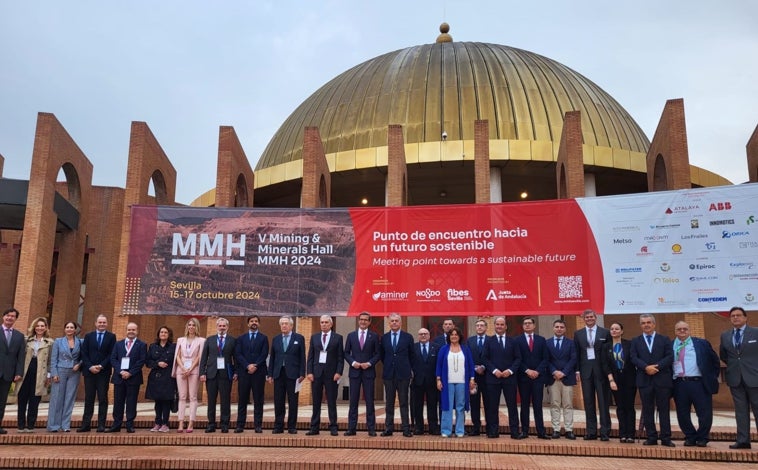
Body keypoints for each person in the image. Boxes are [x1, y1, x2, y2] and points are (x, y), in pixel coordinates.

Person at [672, 320, 719, 447]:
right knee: (682, 413)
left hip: (698, 383)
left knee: (704, 412)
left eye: (685, 329)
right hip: (679, 384)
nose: (682, 331)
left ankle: (703, 437)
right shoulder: (671, 345)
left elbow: (715, 361)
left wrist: (711, 377)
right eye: (679, 329)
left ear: (689, 330)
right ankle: (690, 436)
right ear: (675, 331)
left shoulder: (701, 343)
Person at [630, 314, 674, 447]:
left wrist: (657, 367)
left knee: (664, 409)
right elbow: (633, 357)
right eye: (643, 323)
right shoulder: (636, 341)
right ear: (640, 325)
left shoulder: (664, 339)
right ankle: (651, 437)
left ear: (654, 324)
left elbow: (670, 356)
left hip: (662, 379)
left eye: (649, 322)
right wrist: (645, 367)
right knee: (647, 409)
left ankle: (666, 437)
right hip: (644, 380)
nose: (646, 325)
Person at [719, 306, 758, 450]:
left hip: (754, 378)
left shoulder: (755, 332)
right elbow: (724, 355)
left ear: (745, 317)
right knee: (740, 411)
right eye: (733, 316)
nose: (735, 317)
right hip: (735, 378)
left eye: (738, 315)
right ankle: (743, 440)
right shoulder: (725, 335)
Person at [573, 308, 611, 440]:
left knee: (603, 402)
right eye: (587, 317)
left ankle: (605, 432)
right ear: (584, 319)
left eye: (591, 317)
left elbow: (608, 354)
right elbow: (576, 353)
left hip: (601, 372)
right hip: (585, 371)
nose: (589, 319)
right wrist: (577, 370)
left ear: (595, 318)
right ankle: (591, 431)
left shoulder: (605, 332)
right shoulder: (578, 334)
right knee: (588, 402)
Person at [482, 316, 521, 439]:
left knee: (512, 406)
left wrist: (510, 371)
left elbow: (518, 358)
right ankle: (493, 431)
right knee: (493, 406)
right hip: (493, 379)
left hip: (509, 379)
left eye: (501, 324)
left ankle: (514, 432)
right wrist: (494, 370)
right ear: (494, 326)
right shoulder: (488, 341)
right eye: (497, 324)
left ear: (506, 326)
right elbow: (484, 358)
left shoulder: (513, 341)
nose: (499, 326)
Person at [343, 311, 381, 436]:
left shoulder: (374, 336)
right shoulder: (351, 335)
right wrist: (353, 362)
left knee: (369, 401)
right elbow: (346, 353)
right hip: (354, 372)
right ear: (358, 321)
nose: (363, 321)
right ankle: (351, 428)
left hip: (368, 372)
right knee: (353, 401)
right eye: (361, 319)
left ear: (369, 322)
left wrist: (369, 363)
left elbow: (378, 354)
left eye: (366, 319)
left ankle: (371, 428)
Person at [306, 315, 344, 436]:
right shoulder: (314, 337)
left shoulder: (338, 338)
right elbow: (310, 356)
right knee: (316, 401)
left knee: (331, 401)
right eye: (322, 322)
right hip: (316, 374)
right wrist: (309, 372)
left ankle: (333, 426)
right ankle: (314, 427)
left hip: (331, 374)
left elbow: (340, 358)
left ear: (331, 324)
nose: (323, 324)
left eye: (326, 322)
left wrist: (339, 372)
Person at [267, 315, 305, 434]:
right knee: (278, 401)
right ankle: (278, 425)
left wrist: (302, 373)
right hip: (278, 373)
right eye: (282, 324)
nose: (284, 325)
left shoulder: (299, 338)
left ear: (291, 325)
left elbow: (302, 357)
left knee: (293, 401)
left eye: (286, 323)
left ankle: (292, 426)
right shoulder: (276, 339)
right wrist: (270, 374)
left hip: (293, 374)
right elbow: (272, 357)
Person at [106, 322, 147, 433]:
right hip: (119, 377)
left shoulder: (142, 345)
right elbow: (113, 359)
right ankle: (116, 424)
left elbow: (141, 361)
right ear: (126, 330)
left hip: (133, 378)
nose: (131, 332)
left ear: (137, 331)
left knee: (131, 402)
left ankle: (130, 424)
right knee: (118, 401)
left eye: (133, 330)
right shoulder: (118, 344)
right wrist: (121, 371)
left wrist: (130, 373)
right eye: (129, 329)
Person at [78, 314, 116, 433]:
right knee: (89, 398)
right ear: (96, 323)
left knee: (102, 398)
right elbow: (84, 353)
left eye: (104, 322)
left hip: (103, 372)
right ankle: (86, 424)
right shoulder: (89, 336)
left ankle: (101, 425)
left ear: (107, 324)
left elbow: (112, 354)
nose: (102, 324)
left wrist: (101, 366)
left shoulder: (111, 336)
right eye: (100, 322)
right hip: (89, 372)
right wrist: (90, 366)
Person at [435, 326, 475, 438]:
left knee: (460, 406)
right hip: (447, 382)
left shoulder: (465, 349)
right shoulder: (444, 349)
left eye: (456, 334)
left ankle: (459, 430)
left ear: (459, 336)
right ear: (449, 337)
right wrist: (438, 380)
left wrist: (472, 379)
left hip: (462, 382)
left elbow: (471, 365)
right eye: (451, 334)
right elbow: (439, 365)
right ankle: (446, 431)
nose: (454, 336)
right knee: (446, 406)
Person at [380, 312, 415, 437]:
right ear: (389, 323)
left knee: (404, 402)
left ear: (400, 322)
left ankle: (406, 429)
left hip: (403, 375)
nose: (394, 323)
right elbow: (382, 356)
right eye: (392, 321)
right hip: (389, 374)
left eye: (396, 321)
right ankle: (389, 428)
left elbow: (412, 355)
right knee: (389, 403)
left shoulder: (408, 337)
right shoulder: (384, 338)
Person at [600, 321, 636, 443]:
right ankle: (623, 434)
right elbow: (605, 365)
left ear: (621, 331)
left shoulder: (629, 344)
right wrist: (611, 380)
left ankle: (631, 434)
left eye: (616, 329)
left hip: (629, 378)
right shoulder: (606, 347)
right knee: (620, 407)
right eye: (612, 329)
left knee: (629, 407)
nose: (614, 331)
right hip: (615, 379)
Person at [515, 316, 550, 439]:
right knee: (524, 405)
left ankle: (541, 431)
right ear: (523, 326)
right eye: (525, 323)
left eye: (529, 323)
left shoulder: (541, 340)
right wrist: (527, 370)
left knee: (537, 405)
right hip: (524, 377)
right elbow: (517, 359)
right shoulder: (517, 340)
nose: (527, 325)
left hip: (538, 378)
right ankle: (524, 431)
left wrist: (537, 371)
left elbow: (545, 358)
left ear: (534, 326)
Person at [200, 317, 237, 433]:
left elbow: (235, 358)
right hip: (211, 373)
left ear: (227, 327)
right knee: (211, 400)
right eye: (220, 326)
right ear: (217, 327)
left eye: (224, 326)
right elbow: (204, 358)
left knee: (225, 400)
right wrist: (202, 372)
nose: (222, 328)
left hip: (226, 374)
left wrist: (236, 372)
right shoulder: (210, 340)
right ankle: (211, 424)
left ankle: (225, 424)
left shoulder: (232, 340)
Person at [17, 316, 52, 432]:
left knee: (34, 400)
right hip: (26, 372)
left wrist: (48, 376)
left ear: (46, 328)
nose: (40, 328)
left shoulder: (50, 342)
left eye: (42, 326)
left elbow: (50, 361)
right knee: (22, 399)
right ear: (34, 327)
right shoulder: (26, 340)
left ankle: (31, 425)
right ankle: (21, 425)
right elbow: (20, 357)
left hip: (40, 373)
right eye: (38, 325)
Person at [234, 315, 268, 433]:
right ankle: (240, 425)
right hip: (244, 372)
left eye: (256, 321)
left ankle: (258, 425)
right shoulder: (241, 338)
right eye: (252, 321)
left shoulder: (264, 338)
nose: (254, 323)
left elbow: (264, 354)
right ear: (248, 324)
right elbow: (238, 354)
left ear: (259, 323)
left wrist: (255, 365)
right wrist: (247, 365)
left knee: (258, 400)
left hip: (258, 373)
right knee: (242, 399)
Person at [47, 321, 82, 432]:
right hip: (60, 370)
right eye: (67, 327)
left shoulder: (81, 342)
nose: (69, 329)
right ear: (64, 329)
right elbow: (53, 359)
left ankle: (65, 425)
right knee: (57, 398)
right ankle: (54, 425)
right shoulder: (58, 341)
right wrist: (54, 373)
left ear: (75, 330)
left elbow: (84, 356)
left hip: (74, 372)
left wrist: (79, 364)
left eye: (72, 327)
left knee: (69, 398)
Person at [546, 319, 577, 440]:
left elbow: (573, 359)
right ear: (553, 328)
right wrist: (554, 371)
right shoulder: (547, 343)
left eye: (561, 327)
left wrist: (563, 372)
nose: (559, 329)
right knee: (555, 404)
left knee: (568, 404)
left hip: (567, 378)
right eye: (557, 327)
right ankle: (556, 429)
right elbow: (546, 359)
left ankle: (569, 429)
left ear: (564, 329)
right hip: (553, 378)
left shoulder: (571, 343)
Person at [172, 318, 205, 433]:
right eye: (189, 325)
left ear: (197, 327)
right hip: (181, 369)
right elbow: (177, 355)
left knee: (193, 397)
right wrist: (182, 367)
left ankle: (191, 422)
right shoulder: (180, 340)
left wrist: (190, 368)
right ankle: (181, 422)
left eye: (194, 325)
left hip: (194, 370)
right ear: (187, 327)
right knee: (182, 397)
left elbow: (199, 356)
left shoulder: (201, 340)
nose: (191, 327)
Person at [0, 308, 26, 435]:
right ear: (3, 317)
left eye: (13, 316)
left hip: (8, 374)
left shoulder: (19, 336)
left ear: (15, 319)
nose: (10, 318)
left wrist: (19, 372)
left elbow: (20, 357)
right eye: (8, 315)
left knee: (2, 401)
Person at [145, 326, 176, 432]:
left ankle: (165, 424)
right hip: (156, 377)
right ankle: (157, 423)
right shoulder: (153, 346)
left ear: (169, 334)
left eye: (165, 332)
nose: (163, 334)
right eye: (161, 332)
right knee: (158, 401)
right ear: (158, 334)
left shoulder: (173, 346)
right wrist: (158, 363)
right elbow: (148, 362)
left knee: (166, 401)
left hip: (168, 377)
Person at [411, 328, 439, 435]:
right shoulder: (413, 347)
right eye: (421, 334)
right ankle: (419, 427)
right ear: (418, 336)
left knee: (432, 405)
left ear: (429, 335)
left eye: (425, 334)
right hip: (417, 381)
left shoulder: (436, 347)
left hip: (432, 381)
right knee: (417, 405)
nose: (423, 336)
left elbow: (439, 364)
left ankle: (433, 427)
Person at [466, 319, 489, 436]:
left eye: (481, 325)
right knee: (474, 403)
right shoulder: (469, 341)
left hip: (488, 377)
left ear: (486, 327)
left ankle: (490, 428)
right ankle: (476, 427)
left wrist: (484, 366)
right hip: (473, 377)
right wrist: (475, 368)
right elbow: (467, 357)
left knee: (489, 402)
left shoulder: (491, 340)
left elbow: (493, 357)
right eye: (477, 325)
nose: (479, 327)